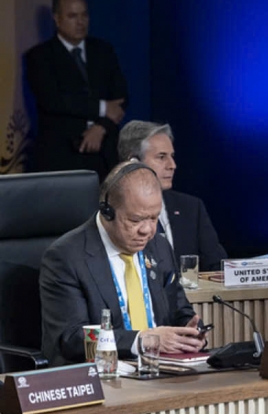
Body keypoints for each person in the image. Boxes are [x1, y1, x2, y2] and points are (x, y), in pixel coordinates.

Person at [40, 162, 205, 366]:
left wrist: (191, 331)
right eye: (136, 220)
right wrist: (141, 341)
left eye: (154, 218)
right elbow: (72, 337)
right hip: (103, 372)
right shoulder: (66, 257)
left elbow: (179, 309)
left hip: (161, 369)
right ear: (107, 211)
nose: (147, 230)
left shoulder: (159, 246)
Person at [25, 0, 127, 180]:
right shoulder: (40, 56)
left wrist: (101, 127)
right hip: (61, 158)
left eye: (84, 15)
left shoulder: (104, 50)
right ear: (57, 19)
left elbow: (120, 98)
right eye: (72, 16)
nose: (80, 22)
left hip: (105, 156)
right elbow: (53, 101)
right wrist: (102, 108)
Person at [118, 120, 228, 271]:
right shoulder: (111, 212)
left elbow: (218, 267)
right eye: (161, 157)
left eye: (172, 156)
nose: (172, 165)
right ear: (134, 162)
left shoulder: (191, 208)